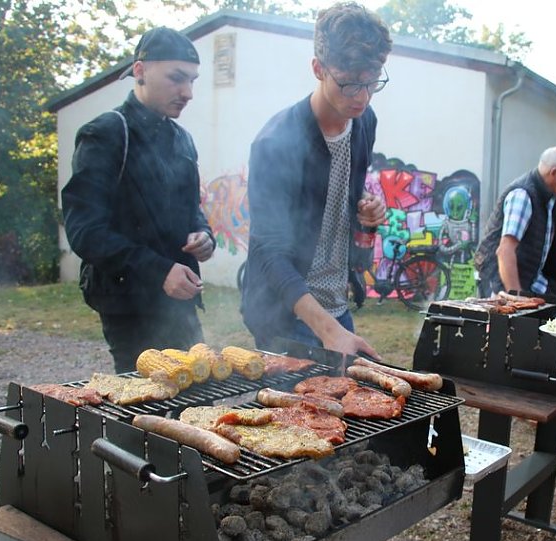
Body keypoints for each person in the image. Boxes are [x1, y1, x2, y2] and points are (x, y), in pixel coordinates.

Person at [241, 2, 391, 358]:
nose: (362, 97)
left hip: (337, 307)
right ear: (318, 68)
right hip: (285, 315)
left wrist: (366, 215)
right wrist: (327, 330)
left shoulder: (365, 122)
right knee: (305, 414)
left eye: (372, 82)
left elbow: (341, 200)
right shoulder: (275, 141)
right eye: (349, 84)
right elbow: (269, 251)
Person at [62, 27, 214, 373]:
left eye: (192, 80)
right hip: (128, 304)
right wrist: (159, 270)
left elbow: (193, 211)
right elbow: (85, 231)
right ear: (141, 71)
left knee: (198, 398)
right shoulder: (106, 134)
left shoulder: (182, 139)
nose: (188, 92)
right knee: (147, 411)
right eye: (177, 78)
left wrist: (204, 236)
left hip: (181, 303)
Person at [473, 146, 556, 298]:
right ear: (554, 172)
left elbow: (555, 243)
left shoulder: (552, 198)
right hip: (501, 283)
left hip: (531, 279)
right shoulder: (523, 196)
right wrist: (516, 299)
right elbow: (505, 251)